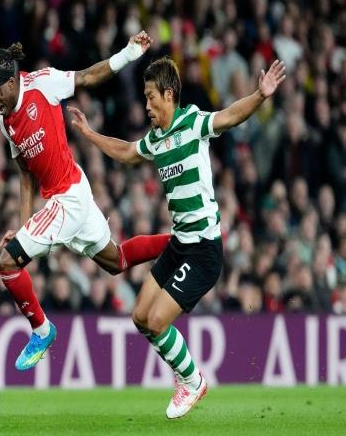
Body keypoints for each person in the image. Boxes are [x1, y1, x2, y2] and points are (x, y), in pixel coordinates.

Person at [69, 57, 286, 418]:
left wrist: (260, 95)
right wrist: (90, 135)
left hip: (203, 250)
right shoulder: (156, 139)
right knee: (140, 315)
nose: (147, 105)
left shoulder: (193, 122)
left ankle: (192, 381)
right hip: (178, 243)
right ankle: (186, 377)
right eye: (145, 97)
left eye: (151, 97)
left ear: (168, 94)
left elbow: (230, 116)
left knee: (157, 322)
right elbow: (127, 152)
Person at [0, 31, 171, 371]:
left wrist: (129, 53)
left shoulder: (43, 84)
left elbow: (88, 76)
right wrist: (24, 227)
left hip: (68, 197)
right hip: (69, 195)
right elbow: (25, 176)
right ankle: (181, 241)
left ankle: (42, 331)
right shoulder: (5, 122)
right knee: (117, 260)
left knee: (7, 264)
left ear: (11, 82)